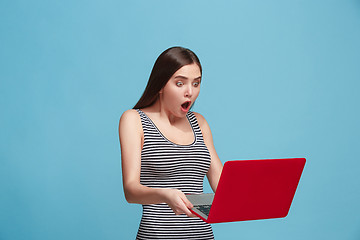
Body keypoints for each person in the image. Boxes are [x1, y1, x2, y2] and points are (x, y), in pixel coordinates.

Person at [119, 46, 223, 239]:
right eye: (180, 83)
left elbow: (224, 186)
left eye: (196, 83)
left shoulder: (199, 122)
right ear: (160, 85)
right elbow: (130, 190)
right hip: (158, 235)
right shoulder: (134, 120)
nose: (189, 92)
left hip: (202, 235)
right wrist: (166, 195)